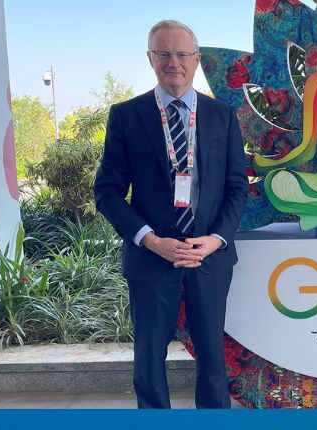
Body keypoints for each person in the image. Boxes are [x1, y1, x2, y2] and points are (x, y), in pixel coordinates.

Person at [94, 20, 248, 409]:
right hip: (151, 256)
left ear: (196, 60)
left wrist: (215, 240)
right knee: (148, 360)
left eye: (181, 54)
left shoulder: (222, 116)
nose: (172, 62)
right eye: (163, 53)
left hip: (208, 258)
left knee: (213, 359)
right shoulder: (126, 116)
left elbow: (237, 187)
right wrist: (150, 239)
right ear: (150, 59)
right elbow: (107, 192)